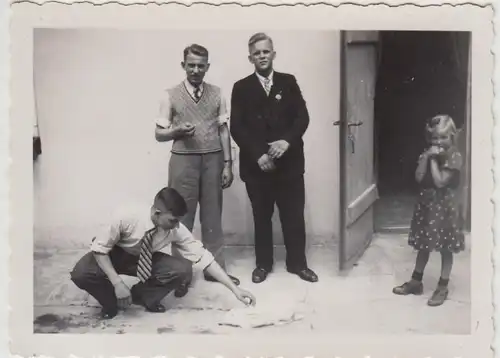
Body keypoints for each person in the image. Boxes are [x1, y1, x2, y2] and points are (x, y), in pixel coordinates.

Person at [70, 187, 255, 319]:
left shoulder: (176, 229)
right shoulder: (126, 215)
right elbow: (100, 248)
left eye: (177, 222)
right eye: (172, 220)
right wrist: (117, 283)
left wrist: (235, 290)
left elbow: (204, 258)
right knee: (81, 273)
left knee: (181, 269)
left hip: (144, 259)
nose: (176, 226)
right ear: (157, 213)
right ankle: (111, 301)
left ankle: (143, 296)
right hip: (114, 254)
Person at [230, 32, 318, 284]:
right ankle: (263, 265)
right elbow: (237, 127)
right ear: (250, 58)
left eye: (265, 51)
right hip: (257, 167)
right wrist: (258, 154)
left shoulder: (288, 82)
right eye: (256, 53)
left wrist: (286, 142)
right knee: (261, 217)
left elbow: (302, 117)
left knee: (293, 216)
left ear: (273, 54)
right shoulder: (241, 87)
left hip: (289, 165)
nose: (262, 56)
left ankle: (298, 264)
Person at [154, 44, 240, 290]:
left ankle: (216, 270)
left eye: (200, 66)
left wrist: (227, 164)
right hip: (183, 160)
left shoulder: (217, 93)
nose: (195, 70)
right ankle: (180, 275)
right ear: (183, 65)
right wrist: (176, 131)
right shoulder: (169, 95)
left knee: (213, 217)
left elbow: (224, 130)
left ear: (207, 67)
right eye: (191, 65)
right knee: (180, 218)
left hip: (213, 160)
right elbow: (158, 134)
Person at [393, 114, 465, 306]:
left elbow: (441, 181)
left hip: (445, 209)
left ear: (452, 137)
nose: (438, 142)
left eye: (443, 137)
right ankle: (416, 281)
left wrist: (433, 160)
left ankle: (442, 286)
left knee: (445, 248)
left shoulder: (454, 157)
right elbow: (418, 177)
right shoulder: (427, 153)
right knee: (423, 245)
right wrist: (426, 158)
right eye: (434, 138)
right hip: (427, 206)